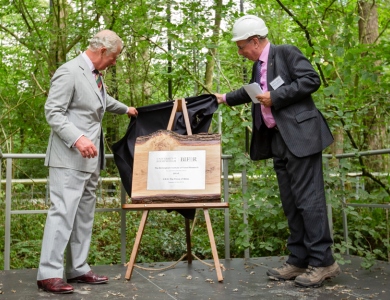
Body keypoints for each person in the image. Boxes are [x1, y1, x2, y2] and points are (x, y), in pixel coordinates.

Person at [215, 15, 341, 287]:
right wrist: (223, 98)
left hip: (301, 137)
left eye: (241, 46)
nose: (240, 52)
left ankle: (323, 262)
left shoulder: (286, 53)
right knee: (291, 202)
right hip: (278, 141)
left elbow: (310, 80)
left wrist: (277, 96)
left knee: (309, 200)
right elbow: (252, 93)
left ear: (256, 41)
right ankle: (298, 260)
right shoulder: (257, 67)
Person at [37, 29, 138, 294]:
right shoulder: (69, 71)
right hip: (69, 157)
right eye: (114, 57)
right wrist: (78, 138)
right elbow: (53, 112)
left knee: (83, 215)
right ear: (103, 50)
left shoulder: (95, 76)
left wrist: (126, 109)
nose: (115, 62)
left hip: (92, 160)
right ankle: (49, 273)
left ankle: (78, 267)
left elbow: (101, 101)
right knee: (62, 213)